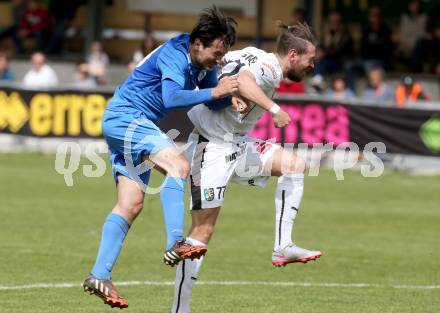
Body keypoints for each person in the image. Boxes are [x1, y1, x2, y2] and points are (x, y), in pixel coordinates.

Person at [82, 6, 238, 309]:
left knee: (131, 204)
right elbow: (173, 97)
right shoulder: (175, 53)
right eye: (216, 54)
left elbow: (214, 99)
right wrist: (217, 93)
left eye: (222, 55)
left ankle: (99, 273)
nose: (218, 60)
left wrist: (232, 98)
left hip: (129, 122)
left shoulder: (204, 64)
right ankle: (174, 242)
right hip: (127, 116)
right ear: (197, 44)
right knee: (178, 166)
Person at [170, 22, 321, 313]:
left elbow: (228, 67)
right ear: (292, 54)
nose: (312, 65)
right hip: (210, 147)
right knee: (202, 232)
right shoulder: (271, 68)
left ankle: (283, 246)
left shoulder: (254, 53)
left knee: (294, 165)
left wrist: (233, 94)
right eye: (309, 59)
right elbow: (244, 80)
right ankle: (179, 310)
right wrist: (274, 110)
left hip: (237, 145)